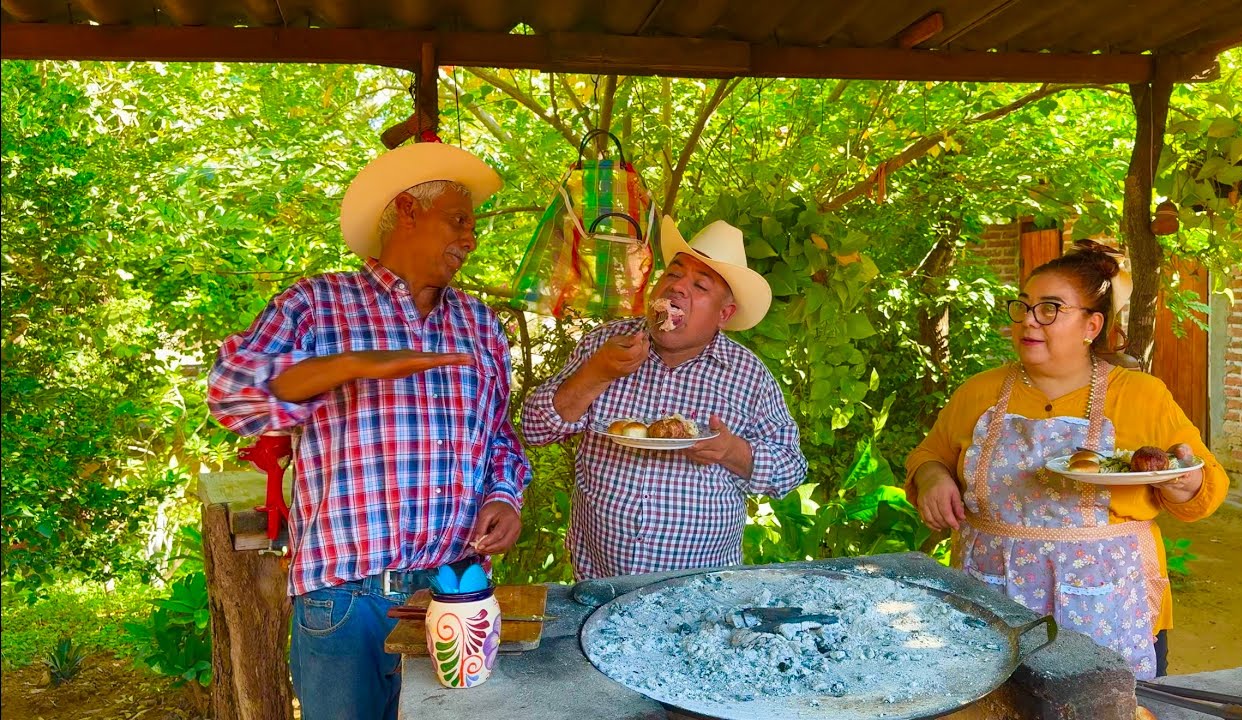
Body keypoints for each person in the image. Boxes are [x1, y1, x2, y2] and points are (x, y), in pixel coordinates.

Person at [206, 141, 531, 718]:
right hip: (343, 599)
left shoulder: (480, 325)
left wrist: (505, 498)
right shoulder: (317, 304)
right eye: (458, 220)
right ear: (408, 209)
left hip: (451, 592)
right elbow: (230, 394)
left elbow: (499, 438)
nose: (471, 239)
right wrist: (353, 364)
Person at [905, 240, 1227, 680]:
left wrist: (1181, 482)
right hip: (991, 595)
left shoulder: (1139, 396)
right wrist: (930, 476)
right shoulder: (978, 392)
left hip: (1106, 602)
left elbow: (1204, 487)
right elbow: (930, 454)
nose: (1030, 321)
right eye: (1024, 306)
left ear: (1091, 325)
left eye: (1050, 309)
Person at [523, 216, 808, 580]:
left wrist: (731, 451)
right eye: (673, 275)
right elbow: (534, 430)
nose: (677, 290)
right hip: (600, 579)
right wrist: (599, 372)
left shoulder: (748, 375)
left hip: (699, 587)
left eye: (700, 286)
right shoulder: (604, 345)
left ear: (724, 314)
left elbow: (790, 470)